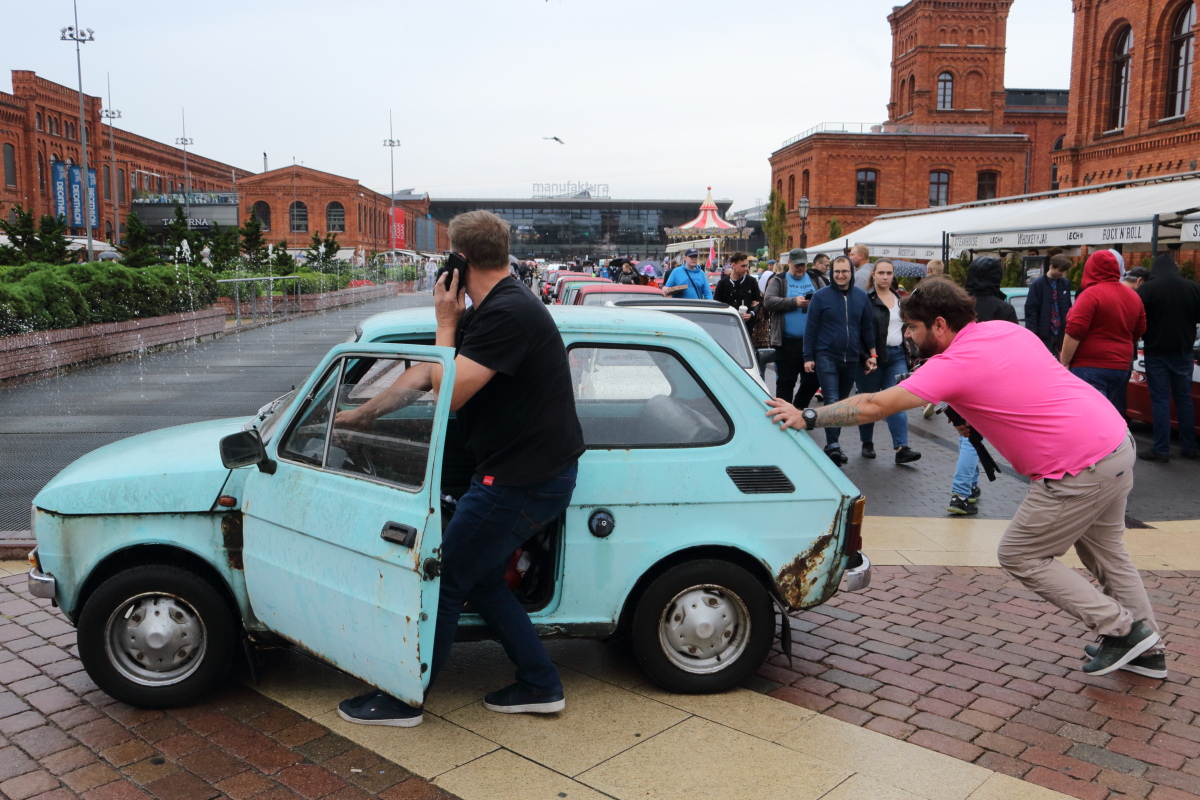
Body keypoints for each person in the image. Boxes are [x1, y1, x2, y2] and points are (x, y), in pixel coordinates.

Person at [767, 277, 1165, 679]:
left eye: (912, 327)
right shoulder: (1005, 330)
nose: (907, 335)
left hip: (1076, 467)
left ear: (939, 325)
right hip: (1114, 442)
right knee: (1107, 553)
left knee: (1020, 554)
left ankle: (1124, 630)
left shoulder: (953, 365)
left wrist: (809, 416)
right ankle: (1149, 650)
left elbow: (873, 405)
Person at [335, 210, 585, 726]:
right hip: (522, 470)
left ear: (459, 259)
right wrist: (357, 416)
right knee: (482, 577)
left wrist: (445, 322)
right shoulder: (493, 307)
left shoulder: (508, 310)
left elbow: (450, 395)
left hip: (520, 479)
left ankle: (407, 697)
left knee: (443, 576)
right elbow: (429, 372)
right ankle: (541, 683)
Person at [946, 257, 1019, 516]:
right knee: (971, 437)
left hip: (959, 375)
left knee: (969, 433)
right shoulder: (1003, 309)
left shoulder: (960, 308)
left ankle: (971, 487)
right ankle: (960, 493)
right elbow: (1011, 349)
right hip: (990, 379)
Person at [803, 255, 877, 464]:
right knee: (832, 400)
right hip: (826, 355)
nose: (840, 275)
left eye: (844, 271)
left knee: (842, 404)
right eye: (837, 271)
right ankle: (834, 445)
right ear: (831, 273)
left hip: (851, 357)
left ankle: (832, 443)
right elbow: (810, 329)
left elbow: (866, 328)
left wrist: (872, 354)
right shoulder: (820, 297)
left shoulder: (861, 297)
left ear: (851, 273)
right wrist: (808, 357)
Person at [1060, 250, 1146, 415]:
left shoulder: (1090, 295)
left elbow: (1074, 331)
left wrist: (1065, 361)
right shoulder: (1133, 296)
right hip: (1121, 365)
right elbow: (1139, 329)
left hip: (1089, 365)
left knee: (1090, 417)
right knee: (1111, 414)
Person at [1136, 251, 1200, 461]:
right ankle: (1190, 446)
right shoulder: (1192, 287)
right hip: (1184, 352)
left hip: (1156, 352)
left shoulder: (1147, 289)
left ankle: (1161, 449)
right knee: (1184, 400)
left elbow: (1139, 319)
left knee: (1160, 400)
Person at [857, 259, 920, 464]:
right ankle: (867, 443)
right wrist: (865, 356)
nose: (885, 277)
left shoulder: (900, 299)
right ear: (873, 275)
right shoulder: (864, 299)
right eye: (881, 273)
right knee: (869, 401)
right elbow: (857, 332)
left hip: (896, 356)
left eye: (889, 273)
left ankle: (902, 448)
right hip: (871, 358)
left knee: (896, 401)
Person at [764, 249, 823, 407]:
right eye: (797, 265)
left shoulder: (815, 279)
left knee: (814, 379)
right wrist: (793, 302)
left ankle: (798, 408)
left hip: (811, 342)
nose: (800, 268)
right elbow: (768, 301)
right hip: (786, 342)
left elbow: (828, 298)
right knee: (786, 382)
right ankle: (783, 416)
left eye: (803, 265)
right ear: (788, 263)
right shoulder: (780, 280)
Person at [1026, 255, 1073, 356]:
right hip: (1045, 332)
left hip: (1061, 331)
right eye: (1060, 270)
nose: (1062, 273)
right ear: (1051, 267)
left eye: (1065, 271)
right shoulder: (1037, 284)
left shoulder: (1065, 283)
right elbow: (1031, 310)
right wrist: (1033, 333)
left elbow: (1068, 306)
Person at [713, 251, 762, 333]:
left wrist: (751, 314)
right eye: (743, 266)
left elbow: (757, 302)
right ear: (733, 265)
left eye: (747, 266)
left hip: (746, 327)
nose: (746, 269)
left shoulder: (752, 281)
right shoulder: (723, 284)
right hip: (727, 326)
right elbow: (716, 304)